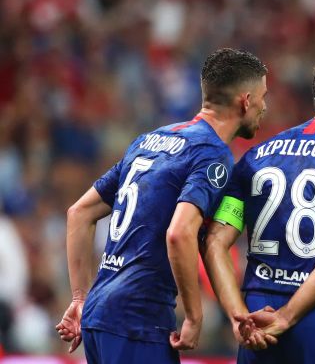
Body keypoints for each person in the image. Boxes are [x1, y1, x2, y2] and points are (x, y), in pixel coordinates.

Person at [55, 48, 269, 363]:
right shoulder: (211, 153)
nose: (265, 106)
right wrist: (195, 317)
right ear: (246, 100)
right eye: (263, 96)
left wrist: (79, 298)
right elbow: (180, 233)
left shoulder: (148, 140)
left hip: (99, 315)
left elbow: (79, 212)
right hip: (139, 319)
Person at [207, 51, 315, 363]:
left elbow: (215, 242)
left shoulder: (255, 156)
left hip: (257, 312)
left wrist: (238, 315)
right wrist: (287, 317)